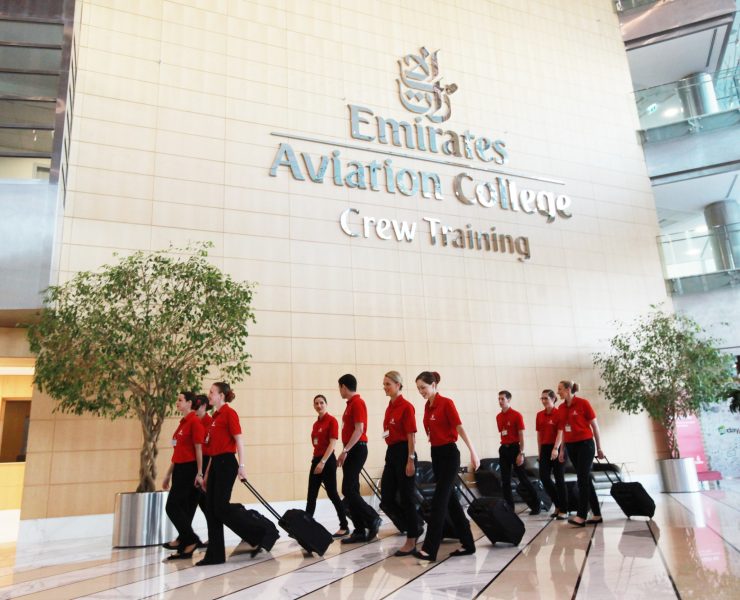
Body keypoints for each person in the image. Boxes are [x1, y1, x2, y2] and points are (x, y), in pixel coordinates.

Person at [414, 371, 479, 562]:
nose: (421, 391)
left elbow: (460, 428)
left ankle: (429, 549)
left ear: (434, 385)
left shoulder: (446, 403)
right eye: (418, 388)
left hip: (450, 455)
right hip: (436, 455)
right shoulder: (427, 406)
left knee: (439, 502)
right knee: (451, 502)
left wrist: (473, 452)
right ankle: (468, 543)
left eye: (423, 387)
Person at [197, 382, 247, 565]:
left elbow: (239, 441)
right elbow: (213, 450)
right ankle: (215, 555)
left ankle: (252, 528)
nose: (209, 395)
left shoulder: (229, 413)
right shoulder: (215, 417)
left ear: (221, 396)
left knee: (219, 507)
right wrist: (206, 474)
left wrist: (242, 466)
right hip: (216, 463)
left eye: (212, 392)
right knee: (210, 509)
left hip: (227, 463)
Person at [379, 371, 422, 556]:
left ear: (398, 385)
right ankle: (415, 525)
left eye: (388, 384)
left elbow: (411, 435)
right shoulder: (389, 407)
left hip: (405, 451)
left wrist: (410, 459)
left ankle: (411, 538)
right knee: (387, 498)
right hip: (392, 453)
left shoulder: (406, 407)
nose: (385, 387)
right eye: (384, 384)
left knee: (406, 498)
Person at [551, 380, 604, 527]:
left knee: (582, 479)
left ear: (568, 389)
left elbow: (595, 426)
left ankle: (581, 515)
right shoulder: (561, 408)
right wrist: (562, 450)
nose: (558, 392)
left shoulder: (583, 403)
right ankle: (597, 514)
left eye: (560, 389)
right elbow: (563, 430)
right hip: (571, 447)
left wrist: (599, 448)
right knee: (585, 479)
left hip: (586, 445)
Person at [336, 373, 382, 544]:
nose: (339, 391)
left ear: (344, 387)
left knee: (348, 489)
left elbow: (359, 429)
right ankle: (359, 530)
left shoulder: (357, 403)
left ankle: (372, 517)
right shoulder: (350, 404)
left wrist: (345, 450)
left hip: (357, 449)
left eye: (339, 388)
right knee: (352, 490)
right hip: (352, 450)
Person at [161, 391, 205, 559]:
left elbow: (199, 449)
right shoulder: (182, 423)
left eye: (180, 400)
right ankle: (185, 542)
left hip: (189, 469)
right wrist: (168, 474)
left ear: (189, 403)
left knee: (172, 506)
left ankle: (191, 539)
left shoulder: (194, 422)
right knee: (182, 507)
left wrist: (199, 473)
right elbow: (177, 451)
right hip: (179, 468)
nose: (177, 402)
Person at [305, 393, 349, 537]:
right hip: (316, 460)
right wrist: (317, 462)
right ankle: (305, 527)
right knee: (311, 495)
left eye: (321, 403)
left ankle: (344, 526)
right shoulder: (315, 424)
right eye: (316, 403)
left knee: (332, 494)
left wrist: (322, 462)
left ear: (326, 404)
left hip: (327, 461)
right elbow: (316, 444)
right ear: (314, 406)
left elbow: (332, 444)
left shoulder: (332, 421)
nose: (319, 405)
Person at [496, 390, 540, 515]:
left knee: (523, 478)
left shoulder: (516, 415)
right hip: (504, 449)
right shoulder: (498, 417)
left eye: (502, 399)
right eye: (499, 399)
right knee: (505, 480)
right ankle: (509, 508)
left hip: (515, 448)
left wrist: (521, 453)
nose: (500, 401)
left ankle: (536, 504)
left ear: (509, 400)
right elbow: (502, 432)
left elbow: (521, 435)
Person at [536, 389, 567, 520]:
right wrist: (540, 452)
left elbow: (561, 432)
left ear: (553, 399)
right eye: (542, 398)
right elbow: (539, 435)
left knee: (559, 479)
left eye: (546, 398)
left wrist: (556, 449)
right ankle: (558, 504)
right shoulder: (539, 415)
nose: (543, 401)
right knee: (544, 477)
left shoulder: (559, 413)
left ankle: (563, 509)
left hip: (558, 447)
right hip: (545, 448)